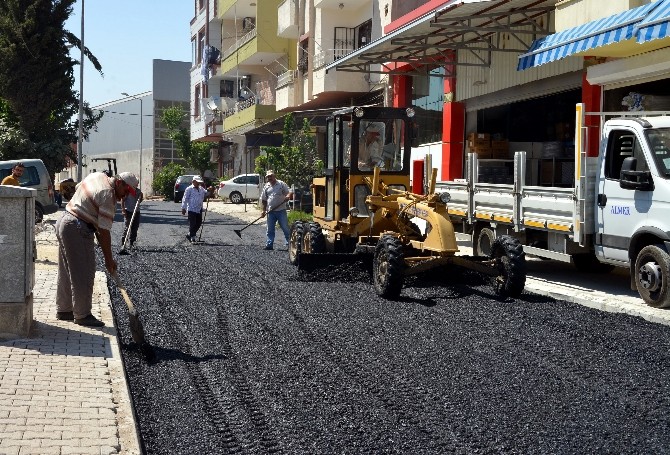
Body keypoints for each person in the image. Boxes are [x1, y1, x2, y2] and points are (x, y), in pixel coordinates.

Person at [55, 171, 139, 327]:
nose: (126, 196)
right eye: (126, 191)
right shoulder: (109, 196)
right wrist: (109, 259)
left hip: (64, 220)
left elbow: (80, 189)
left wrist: (108, 256)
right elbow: (104, 231)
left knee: (67, 269)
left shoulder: (98, 176)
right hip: (77, 227)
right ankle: (82, 314)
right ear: (119, 183)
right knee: (84, 271)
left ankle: (64, 309)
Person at [260, 170, 292, 250]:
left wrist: (288, 196)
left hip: (281, 210)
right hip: (270, 211)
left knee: (284, 227)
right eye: (268, 176)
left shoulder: (281, 184)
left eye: (271, 176)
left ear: (274, 176)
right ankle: (269, 245)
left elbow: (289, 192)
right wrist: (263, 210)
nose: (269, 178)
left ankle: (289, 244)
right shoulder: (266, 186)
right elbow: (264, 199)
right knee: (270, 229)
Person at [181, 175, 208, 242]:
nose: (198, 183)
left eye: (199, 182)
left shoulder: (201, 189)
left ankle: (190, 234)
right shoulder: (189, 189)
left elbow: (206, 194)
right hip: (191, 209)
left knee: (198, 223)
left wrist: (210, 190)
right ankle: (192, 237)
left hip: (199, 209)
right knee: (192, 223)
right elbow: (185, 199)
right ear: (193, 181)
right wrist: (183, 208)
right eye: (197, 182)